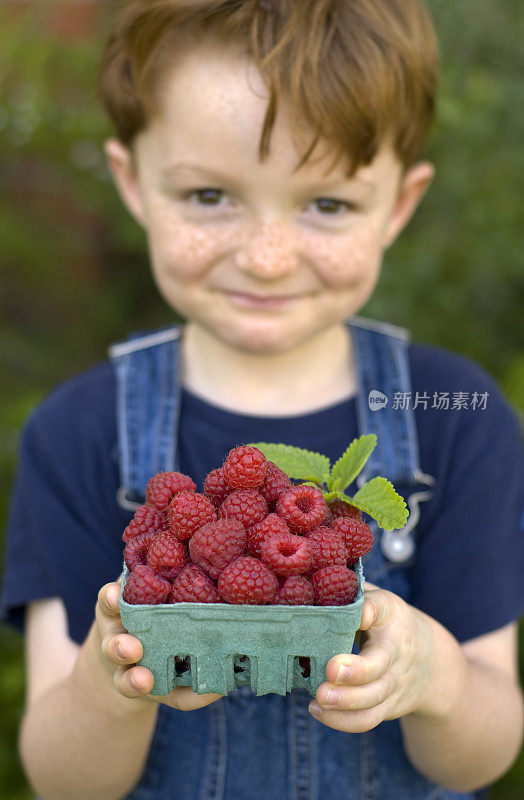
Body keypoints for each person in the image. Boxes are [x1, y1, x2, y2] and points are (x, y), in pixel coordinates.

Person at [1, 1, 523, 798]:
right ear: (132, 183)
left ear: (400, 205)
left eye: (329, 204)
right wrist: (112, 682)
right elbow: (64, 781)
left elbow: (482, 754)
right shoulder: (77, 432)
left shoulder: (458, 413)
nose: (269, 259)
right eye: (211, 196)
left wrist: (437, 677)